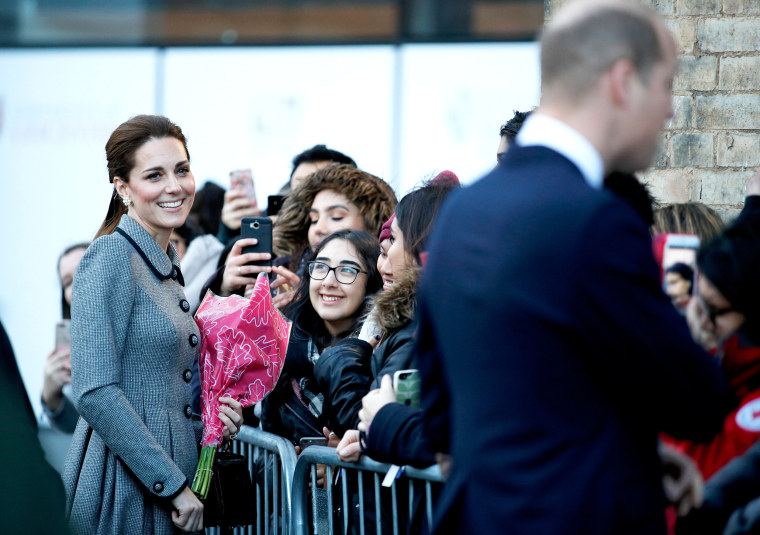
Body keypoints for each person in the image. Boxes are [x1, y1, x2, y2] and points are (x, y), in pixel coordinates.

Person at [414, 2, 732, 533]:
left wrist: (632, 452)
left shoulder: (463, 212)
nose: (672, 110)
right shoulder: (596, 220)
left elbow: (446, 410)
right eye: (667, 86)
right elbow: (695, 402)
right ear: (623, 81)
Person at [62, 115, 244, 535]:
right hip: (125, 489)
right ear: (123, 187)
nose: (174, 186)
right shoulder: (109, 257)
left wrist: (214, 415)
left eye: (181, 170)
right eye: (154, 175)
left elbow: (168, 381)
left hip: (170, 485)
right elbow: (93, 390)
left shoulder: (167, 264)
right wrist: (173, 486)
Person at [210, 163, 396, 310]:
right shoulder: (278, 273)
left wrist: (308, 305)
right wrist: (225, 290)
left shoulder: (391, 281)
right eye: (313, 219)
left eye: (336, 217)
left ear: (373, 223)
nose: (319, 229)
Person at [260, 229, 383, 446]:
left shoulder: (380, 354)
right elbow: (264, 456)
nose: (328, 281)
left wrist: (341, 469)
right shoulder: (284, 350)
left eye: (347, 270)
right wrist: (297, 467)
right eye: (321, 267)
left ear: (371, 281)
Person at [39, 242, 89, 474]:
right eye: (68, 282)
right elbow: (76, 426)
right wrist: (51, 397)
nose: (77, 284)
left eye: (84, 269)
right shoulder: (73, 342)